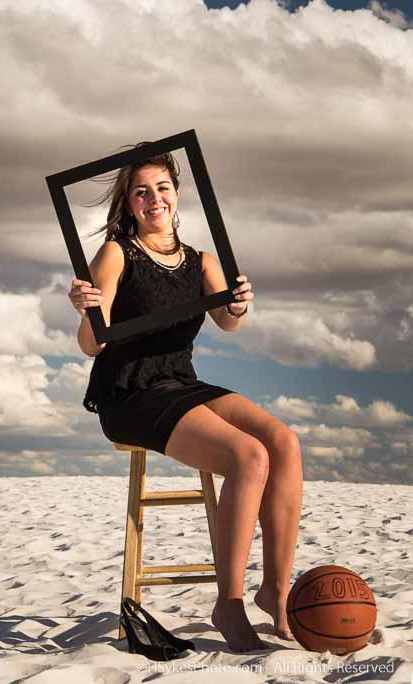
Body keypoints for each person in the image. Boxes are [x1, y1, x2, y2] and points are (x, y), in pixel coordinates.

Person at [67, 144, 303, 653]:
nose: (154, 199)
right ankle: (230, 603)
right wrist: (87, 309)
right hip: (128, 391)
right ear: (130, 204)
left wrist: (240, 302)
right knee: (249, 455)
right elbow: (92, 345)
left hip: (180, 381)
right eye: (141, 192)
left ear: (177, 194)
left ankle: (275, 592)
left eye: (162, 188)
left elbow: (229, 322)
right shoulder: (116, 252)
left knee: (283, 441)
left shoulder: (202, 260)